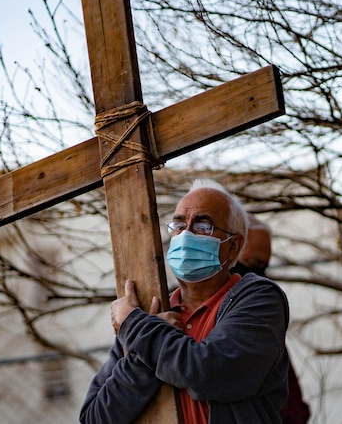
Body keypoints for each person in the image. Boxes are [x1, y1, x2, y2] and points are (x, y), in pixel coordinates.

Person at [80, 179, 290, 424]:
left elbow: (209, 374)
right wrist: (141, 356)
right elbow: (95, 418)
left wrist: (138, 331)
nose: (185, 234)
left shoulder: (258, 298)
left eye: (203, 226)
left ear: (233, 247)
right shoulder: (152, 313)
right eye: (179, 225)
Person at [231, 214, 311, 424]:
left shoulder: (263, 318)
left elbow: (292, 404)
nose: (260, 275)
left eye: (263, 266)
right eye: (252, 262)